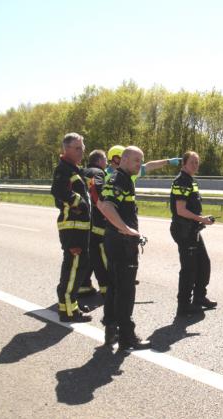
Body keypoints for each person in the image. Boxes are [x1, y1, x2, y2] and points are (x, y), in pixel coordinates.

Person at [98, 146, 151, 350]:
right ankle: (127, 337)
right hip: (121, 243)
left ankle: (111, 329)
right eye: (137, 160)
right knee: (125, 291)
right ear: (124, 159)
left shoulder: (122, 178)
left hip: (115, 241)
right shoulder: (118, 179)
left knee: (114, 287)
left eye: (141, 160)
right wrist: (127, 229)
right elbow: (106, 206)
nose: (140, 165)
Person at [50, 133, 92, 322]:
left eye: (82, 147)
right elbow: (58, 191)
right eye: (77, 148)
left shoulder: (75, 169)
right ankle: (68, 311)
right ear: (65, 149)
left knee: (79, 267)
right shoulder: (63, 169)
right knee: (73, 268)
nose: (81, 151)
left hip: (81, 228)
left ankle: (70, 305)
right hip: (72, 228)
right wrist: (80, 202)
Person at [170, 151, 217, 316]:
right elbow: (180, 210)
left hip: (193, 229)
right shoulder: (182, 181)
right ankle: (183, 305)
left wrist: (201, 220)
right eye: (192, 162)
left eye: (197, 162)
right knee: (189, 269)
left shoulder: (190, 180)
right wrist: (202, 219)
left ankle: (199, 297)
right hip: (183, 230)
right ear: (184, 164)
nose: (195, 165)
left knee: (204, 263)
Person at [78, 149, 111, 299]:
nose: (107, 162)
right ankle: (108, 287)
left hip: (84, 221)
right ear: (98, 161)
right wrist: (105, 207)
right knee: (103, 255)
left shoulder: (82, 171)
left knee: (89, 255)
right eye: (105, 159)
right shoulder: (98, 172)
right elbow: (95, 190)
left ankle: (83, 286)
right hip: (97, 221)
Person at [105, 144, 180, 184]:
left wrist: (168, 161)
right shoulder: (103, 175)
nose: (126, 159)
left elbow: (150, 165)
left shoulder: (131, 172)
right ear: (115, 159)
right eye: (123, 157)